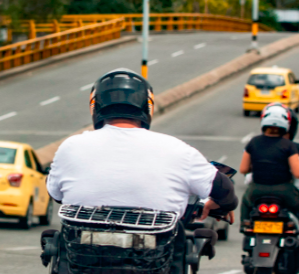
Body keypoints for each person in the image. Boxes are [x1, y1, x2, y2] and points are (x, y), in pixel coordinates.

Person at [47, 68, 238, 222]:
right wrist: (218, 205)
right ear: (148, 107)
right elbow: (224, 189)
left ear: (95, 106)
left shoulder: (70, 146)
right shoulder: (177, 150)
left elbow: (56, 194)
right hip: (153, 261)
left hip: (82, 257)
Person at [239, 107, 299, 240]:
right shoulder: (288, 145)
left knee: (246, 199)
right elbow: (298, 173)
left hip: (257, 191)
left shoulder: (253, 142)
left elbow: (243, 169)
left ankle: (245, 224)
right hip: (284, 193)